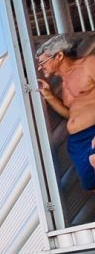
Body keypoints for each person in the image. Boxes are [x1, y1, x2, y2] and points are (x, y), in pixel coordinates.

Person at [36, 34, 95, 192]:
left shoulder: (89, 64)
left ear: (59, 55)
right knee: (92, 185)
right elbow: (71, 114)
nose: (40, 68)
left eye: (43, 62)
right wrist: (49, 96)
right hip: (77, 141)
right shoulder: (64, 84)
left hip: (93, 132)